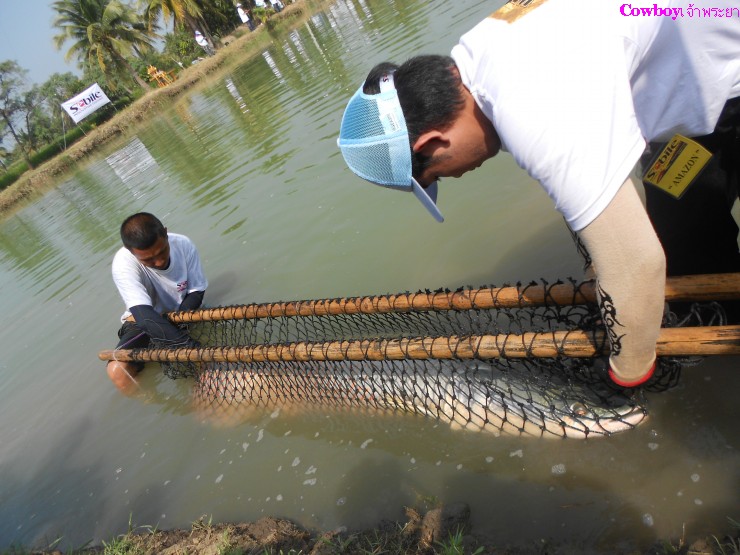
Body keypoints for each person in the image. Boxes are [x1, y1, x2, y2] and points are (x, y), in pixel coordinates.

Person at [337, 0, 740, 388]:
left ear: (432, 143)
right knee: (689, 255)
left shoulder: (531, 108)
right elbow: (578, 183)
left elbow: (637, 265)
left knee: (648, 271)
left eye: (440, 175)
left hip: (726, 62)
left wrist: (628, 374)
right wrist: (598, 267)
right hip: (691, 100)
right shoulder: (480, 59)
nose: (456, 176)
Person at [107, 213, 208, 394]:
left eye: (162, 251)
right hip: (144, 320)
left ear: (166, 234)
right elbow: (144, 315)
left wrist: (179, 324)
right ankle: (153, 404)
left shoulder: (184, 244)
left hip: (181, 314)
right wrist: (191, 349)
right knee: (116, 371)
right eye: (148, 259)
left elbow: (197, 291)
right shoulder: (123, 264)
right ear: (130, 251)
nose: (159, 261)